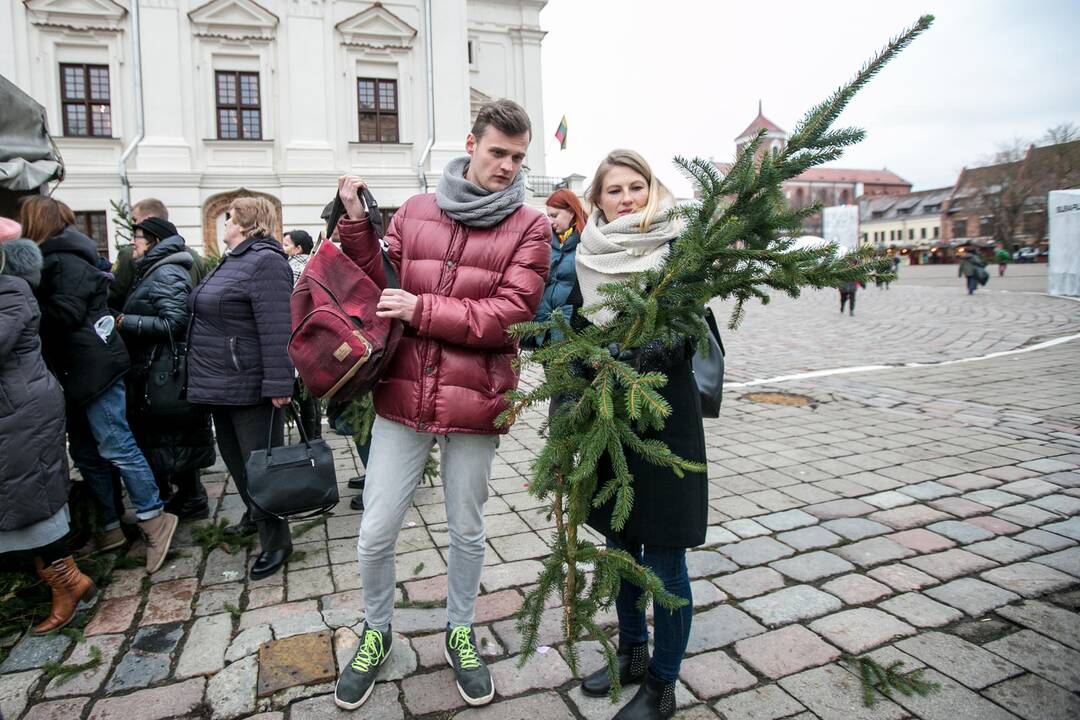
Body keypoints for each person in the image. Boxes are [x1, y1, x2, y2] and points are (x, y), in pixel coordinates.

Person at [333, 98, 549, 711]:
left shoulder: (529, 226)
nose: (506, 166)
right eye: (497, 152)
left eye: (517, 157)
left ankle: (460, 630)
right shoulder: (418, 210)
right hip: (403, 391)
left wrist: (423, 310)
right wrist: (355, 223)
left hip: (478, 396)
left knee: (467, 529)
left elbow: (512, 315)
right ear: (471, 144)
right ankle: (377, 631)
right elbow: (381, 280)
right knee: (375, 532)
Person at [574, 150, 707, 720]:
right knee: (620, 548)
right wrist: (583, 356)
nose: (627, 198)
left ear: (651, 191)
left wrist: (620, 358)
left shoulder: (679, 251)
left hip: (666, 419)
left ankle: (662, 683)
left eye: (636, 187)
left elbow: (680, 336)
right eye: (614, 190)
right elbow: (577, 328)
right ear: (598, 200)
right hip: (612, 423)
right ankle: (631, 651)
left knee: (665, 564)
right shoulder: (588, 255)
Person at [20, 196, 178, 573]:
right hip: (76, 370)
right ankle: (110, 527)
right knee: (89, 451)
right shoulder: (59, 258)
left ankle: (155, 518)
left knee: (116, 443)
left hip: (95, 368)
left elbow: (68, 313)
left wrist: (21, 302)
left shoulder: (68, 260)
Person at [186, 196, 295, 580]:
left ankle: (277, 540)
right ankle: (254, 514)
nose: (225, 223)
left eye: (229, 218)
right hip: (220, 381)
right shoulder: (234, 259)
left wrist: (280, 383)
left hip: (249, 383)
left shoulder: (266, 261)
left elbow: (278, 327)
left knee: (260, 466)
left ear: (246, 223)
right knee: (234, 459)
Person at [0, 221, 97, 634]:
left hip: (20, 411)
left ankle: (68, 583)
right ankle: (65, 579)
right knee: (18, 495)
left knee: (30, 495)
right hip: (16, 407)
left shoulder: (11, 292)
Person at [119, 217, 216, 520]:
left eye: (137, 237)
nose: (132, 242)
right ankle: (186, 496)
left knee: (175, 436)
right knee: (170, 436)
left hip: (166, 367)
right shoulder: (156, 269)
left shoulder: (167, 272)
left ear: (154, 241)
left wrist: (124, 322)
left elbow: (175, 322)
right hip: (157, 365)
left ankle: (191, 498)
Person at [109, 198, 208, 310]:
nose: (134, 225)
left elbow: (113, 296)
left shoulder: (131, 253)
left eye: (135, 220)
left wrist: (123, 321)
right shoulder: (196, 258)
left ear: (149, 220)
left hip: (143, 324)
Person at [526, 188, 585, 348]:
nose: (550, 221)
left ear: (571, 212)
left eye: (554, 215)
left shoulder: (587, 241)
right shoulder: (544, 239)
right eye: (548, 215)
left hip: (570, 323)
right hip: (543, 320)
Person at [283, 229, 322, 439]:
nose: (283, 248)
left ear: (298, 248)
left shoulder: (292, 267)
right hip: (313, 330)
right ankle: (315, 435)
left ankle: (308, 437)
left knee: (301, 390)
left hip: (296, 330)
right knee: (310, 389)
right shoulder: (315, 262)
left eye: (287, 244)